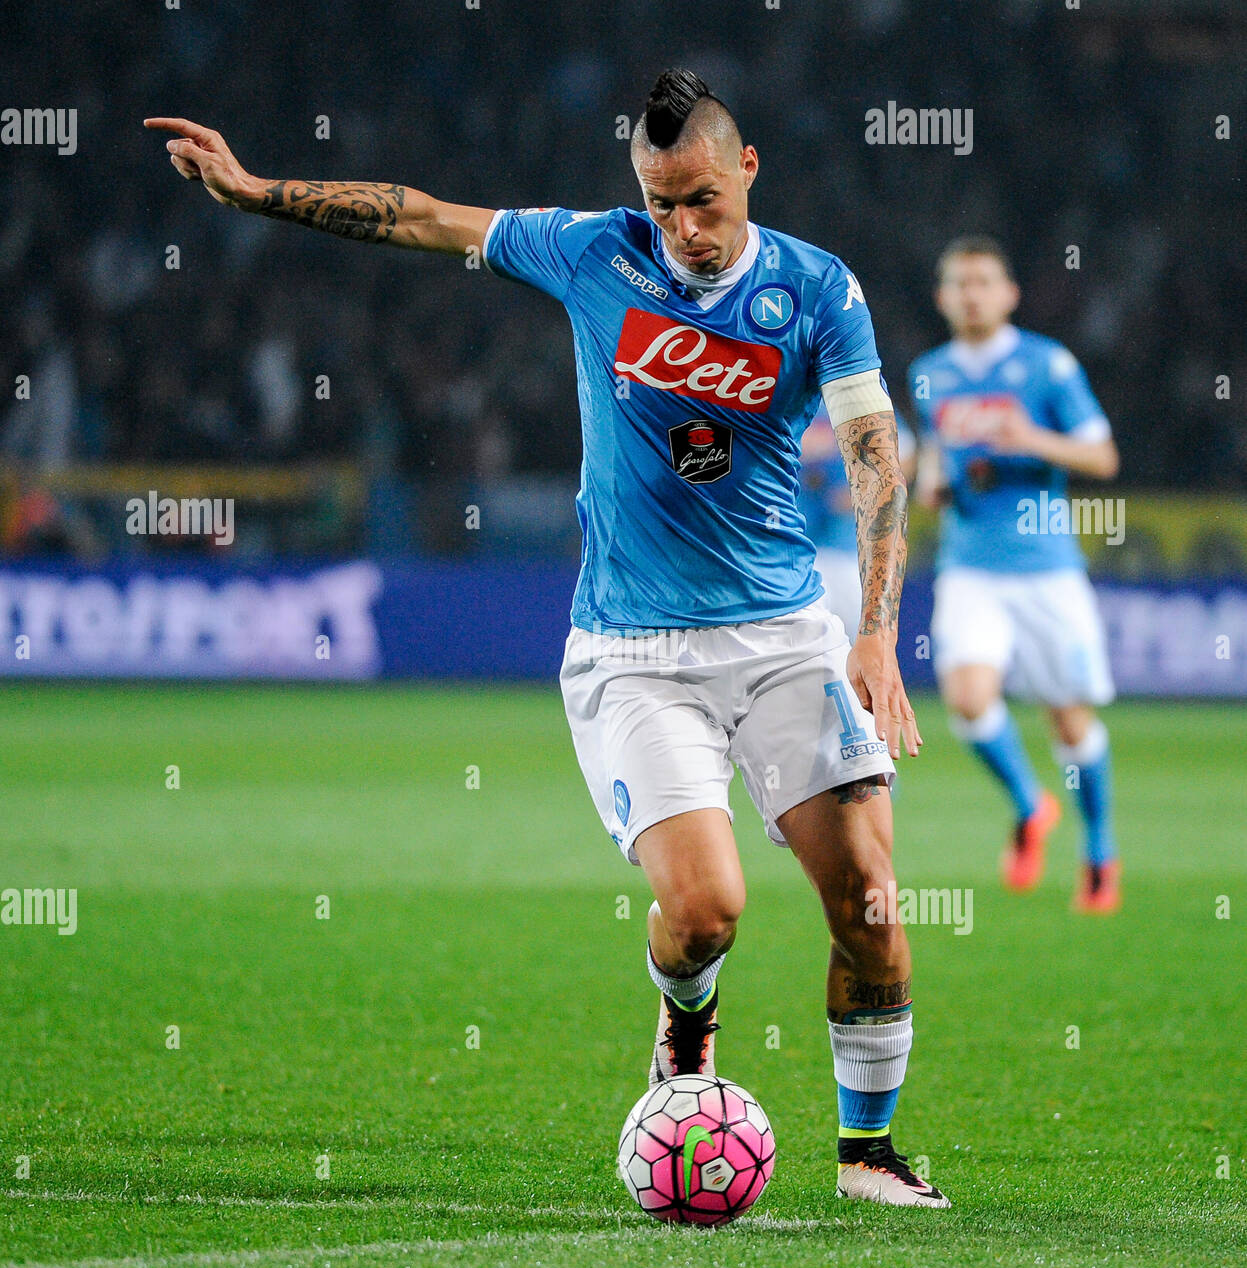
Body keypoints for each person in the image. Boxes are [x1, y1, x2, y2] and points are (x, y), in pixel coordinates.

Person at [147, 67, 948, 1205]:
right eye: (662, 202)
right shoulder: (588, 251)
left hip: (782, 636)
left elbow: (874, 454)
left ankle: (866, 1153)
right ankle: (685, 1021)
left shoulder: (818, 288)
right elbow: (424, 216)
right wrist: (256, 189)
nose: (684, 227)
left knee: (868, 897)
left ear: (747, 168)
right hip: (634, 650)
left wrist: (876, 631)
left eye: (703, 199)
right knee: (706, 907)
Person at [908, 237, 1121, 912]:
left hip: (1045, 568)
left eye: (983, 282)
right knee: (968, 699)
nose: (971, 294)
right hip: (969, 566)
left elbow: (1101, 457)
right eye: (959, 283)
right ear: (942, 297)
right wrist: (931, 487)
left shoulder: (1046, 365)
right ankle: (1031, 806)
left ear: (1008, 294)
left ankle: (1099, 850)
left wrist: (1030, 440)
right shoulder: (928, 374)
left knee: (1068, 720)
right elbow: (933, 465)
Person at [799, 399, 916, 637]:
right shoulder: (782, 393)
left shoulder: (853, 391)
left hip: (851, 549)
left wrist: (868, 492)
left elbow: (904, 456)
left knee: (858, 642)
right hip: (792, 548)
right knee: (804, 645)